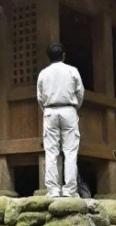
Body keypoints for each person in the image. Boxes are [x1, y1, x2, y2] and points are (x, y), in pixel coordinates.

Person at [36, 42, 84, 198]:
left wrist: (47, 110)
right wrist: (74, 108)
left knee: (51, 151)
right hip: (69, 109)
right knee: (70, 151)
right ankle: (70, 190)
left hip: (50, 110)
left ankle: (53, 190)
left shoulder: (43, 73)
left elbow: (40, 97)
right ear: (64, 55)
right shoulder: (72, 71)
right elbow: (80, 93)